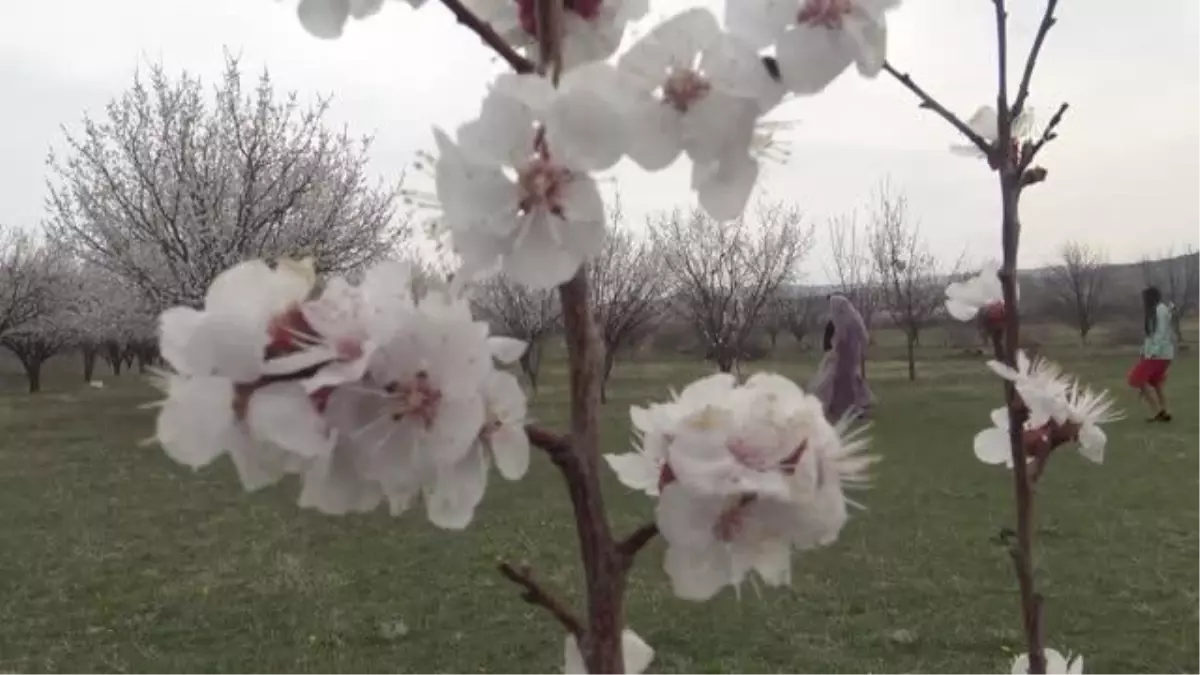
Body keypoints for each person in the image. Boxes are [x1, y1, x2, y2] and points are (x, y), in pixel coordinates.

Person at [808, 294, 873, 422]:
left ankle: (833, 406)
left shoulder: (843, 322)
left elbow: (840, 338)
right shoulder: (854, 320)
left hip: (843, 356)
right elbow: (863, 338)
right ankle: (852, 406)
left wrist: (834, 350)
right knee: (848, 381)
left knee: (831, 379)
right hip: (851, 357)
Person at [1128, 286, 1176, 422]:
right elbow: (1153, 334)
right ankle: (1166, 411)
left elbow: (1160, 333)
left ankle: (1158, 412)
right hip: (1163, 354)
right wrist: (1144, 351)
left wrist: (1152, 352)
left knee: (1136, 378)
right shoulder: (1160, 310)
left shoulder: (1159, 311)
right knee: (1156, 383)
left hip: (1158, 354)